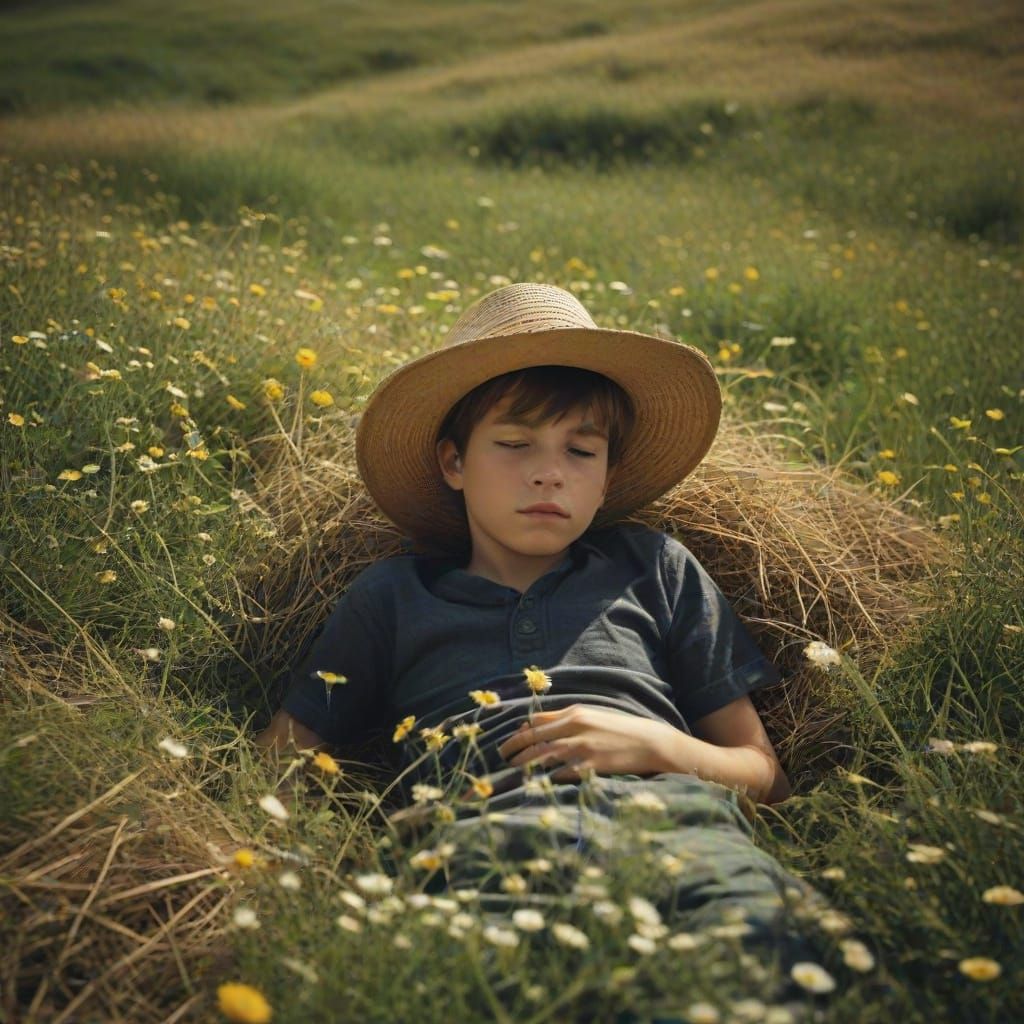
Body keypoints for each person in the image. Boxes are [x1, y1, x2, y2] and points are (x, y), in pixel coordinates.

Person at [256, 282, 832, 1011]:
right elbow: (280, 762)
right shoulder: (394, 597)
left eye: (580, 450)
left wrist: (653, 743)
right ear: (453, 463)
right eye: (515, 443)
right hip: (487, 848)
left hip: (682, 835)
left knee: (766, 980)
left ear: (606, 479)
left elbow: (764, 778)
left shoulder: (653, 568)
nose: (548, 471)